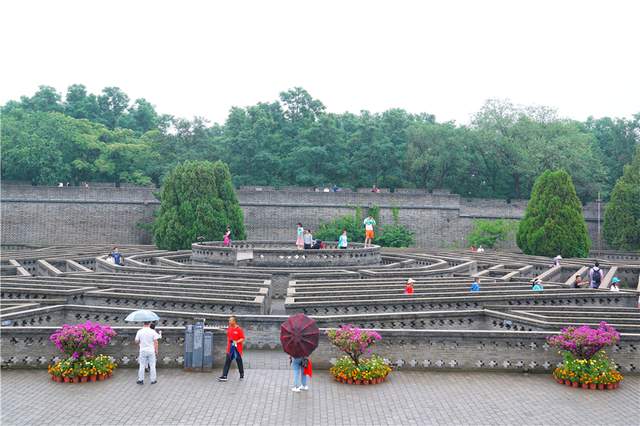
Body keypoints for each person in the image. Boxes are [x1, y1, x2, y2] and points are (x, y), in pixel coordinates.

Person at [218, 316, 245, 381]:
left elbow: (242, 338)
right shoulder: (229, 328)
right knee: (227, 362)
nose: (229, 321)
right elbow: (228, 336)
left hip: (237, 349)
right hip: (230, 348)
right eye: (229, 320)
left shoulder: (239, 329)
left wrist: (237, 341)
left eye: (230, 320)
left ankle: (241, 374)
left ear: (234, 321)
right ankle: (224, 376)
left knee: (239, 361)